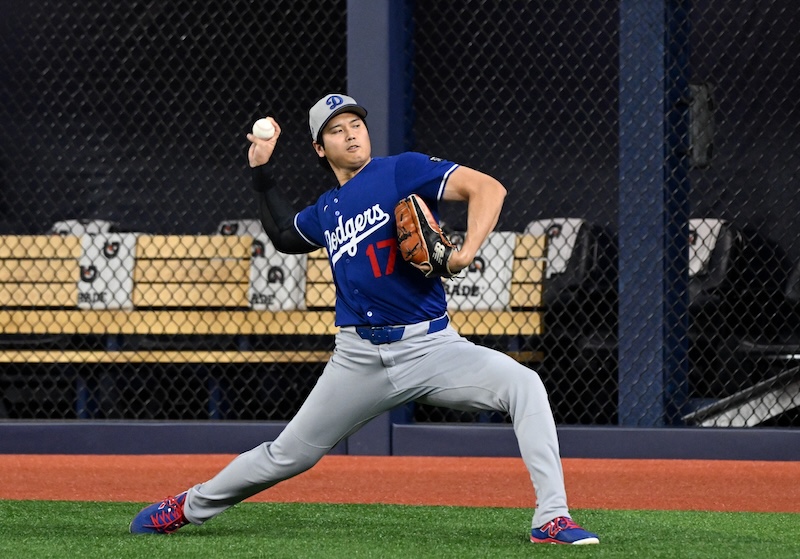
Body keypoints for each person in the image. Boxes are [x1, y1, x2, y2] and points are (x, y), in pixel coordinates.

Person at [129, 93, 600, 545]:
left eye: (357, 124)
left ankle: (552, 518)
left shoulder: (401, 170)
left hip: (431, 347)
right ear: (320, 147)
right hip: (357, 358)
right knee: (286, 455)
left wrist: (465, 253)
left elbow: (487, 188)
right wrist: (262, 172)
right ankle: (188, 506)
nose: (352, 135)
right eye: (337, 130)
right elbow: (283, 235)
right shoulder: (327, 210)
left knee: (524, 385)